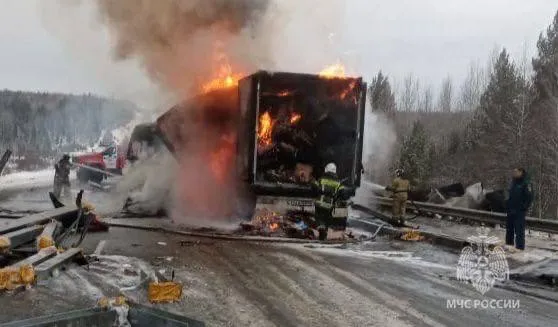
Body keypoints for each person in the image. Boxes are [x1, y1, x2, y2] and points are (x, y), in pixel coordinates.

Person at [312, 163, 351, 240]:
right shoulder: (338, 183)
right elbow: (343, 193)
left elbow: (314, 188)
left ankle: (321, 230)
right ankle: (323, 235)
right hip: (329, 206)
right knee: (326, 220)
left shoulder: (321, 179)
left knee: (319, 219)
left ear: (326, 170)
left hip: (320, 204)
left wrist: (312, 182)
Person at [506, 168, 533, 251]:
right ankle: (509, 245)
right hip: (511, 209)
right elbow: (509, 194)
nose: (514, 173)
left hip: (519, 211)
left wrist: (524, 207)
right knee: (509, 229)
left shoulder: (526, 183)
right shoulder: (513, 182)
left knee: (519, 231)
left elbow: (530, 197)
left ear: (521, 172)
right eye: (514, 172)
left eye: (516, 172)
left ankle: (520, 248)